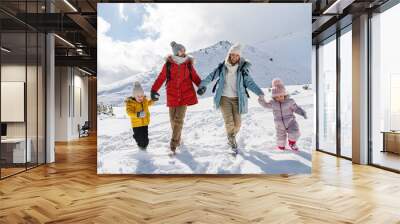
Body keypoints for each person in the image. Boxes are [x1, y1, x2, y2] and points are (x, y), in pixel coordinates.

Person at [197, 43, 265, 151]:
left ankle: (231, 135)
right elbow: (211, 76)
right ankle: (231, 139)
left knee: (237, 124)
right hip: (224, 98)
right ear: (229, 55)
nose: (234, 57)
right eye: (232, 55)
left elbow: (250, 83)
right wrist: (202, 85)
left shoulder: (242, 69)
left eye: (236, 55)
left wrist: (260, 93)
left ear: (239, 57)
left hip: (237, 99)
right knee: (229, 121)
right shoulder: (222, 67)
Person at [150, 41, 202, 153]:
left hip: (185, 95)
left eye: (184, 50)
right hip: (172, 95)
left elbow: (195, 77)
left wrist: (201, 86)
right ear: (176, 52)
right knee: (173, 120)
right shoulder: (168, 64)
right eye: (181, 50)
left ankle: (173, 143)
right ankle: (178, 139)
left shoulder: (188, 63)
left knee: (179, 120)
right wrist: (154, 89)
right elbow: (161, 77)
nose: (184, 52)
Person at [258, 78, 307, 151]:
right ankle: (281, 148)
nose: (279, 98)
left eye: (281, 96)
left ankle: (292, 143)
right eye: (276, 97)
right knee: (280, 138)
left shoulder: (290, 102)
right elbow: (265, 105)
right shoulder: (273, 103)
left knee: (295, 132)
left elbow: (296, 108)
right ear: (274, 97)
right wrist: (261, 99)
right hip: (279, 125)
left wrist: (302, 113)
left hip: (290, 122)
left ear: (284, 94)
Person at [125, 82, 154, 150]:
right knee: (139, 137)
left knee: (145, 138)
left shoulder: (144, 100)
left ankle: (144, 146)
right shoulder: (130, 103)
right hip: (136, 124)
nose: (141, 98)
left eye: (142, 96)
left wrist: (153, 100)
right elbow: (129, 112)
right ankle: (139, 142)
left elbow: (148, 103)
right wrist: (137, 114)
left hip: (145, 123)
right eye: (138, 96)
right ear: (134, 96)